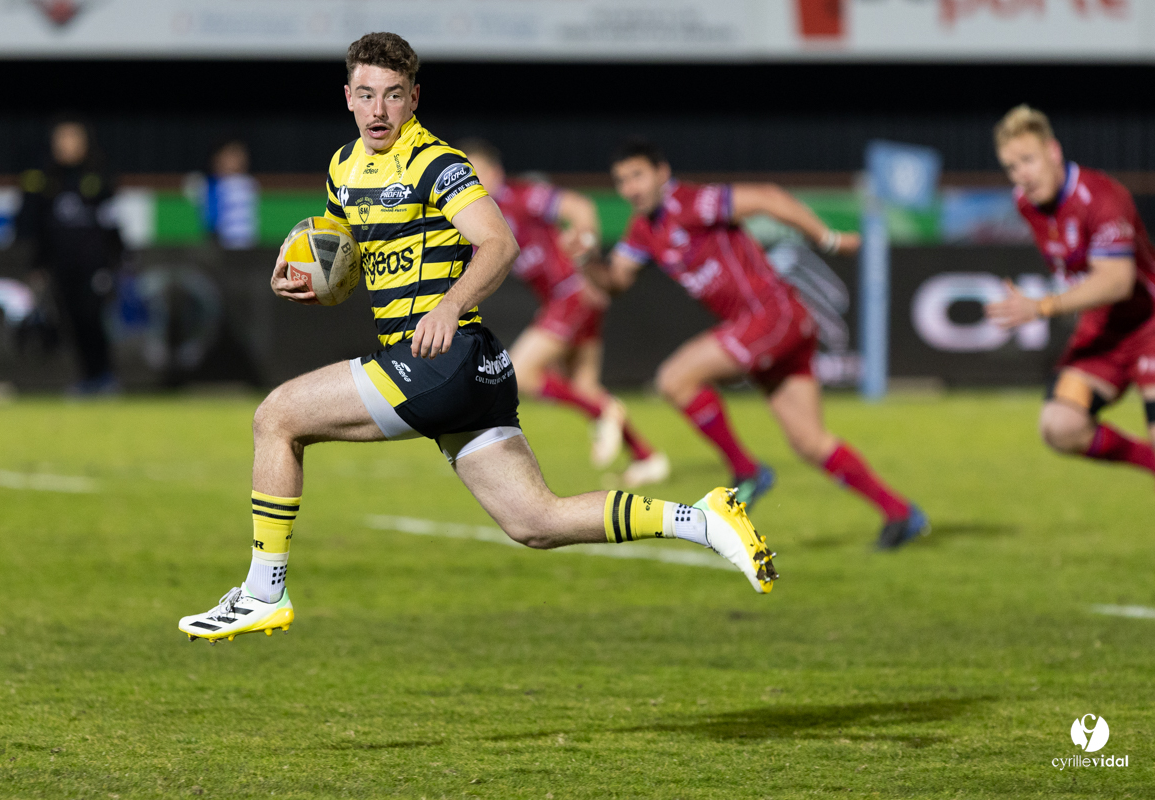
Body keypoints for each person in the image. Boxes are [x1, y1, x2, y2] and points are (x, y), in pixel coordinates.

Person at [177, 33, 777, 643]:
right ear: (348, 98)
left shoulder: (437, 163)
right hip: (457, 367)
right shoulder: (341, 169)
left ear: (414, 98)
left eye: (392, 95)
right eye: (366, 95)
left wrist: (451, 303)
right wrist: (303, 276)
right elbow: (344, 252)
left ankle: (261, 592)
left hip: (444, 356)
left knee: (276, 416)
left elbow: (499, 242)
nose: (379, 110)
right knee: (535, 521)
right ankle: (703, 520)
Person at [601, 140, 928, 549]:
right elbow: (615, 281)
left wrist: (826, 238)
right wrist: (584, 262)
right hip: (773, 324)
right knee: (809, 441)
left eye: (637, 175)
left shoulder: (692, 202)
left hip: (772, 316)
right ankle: (901, 513)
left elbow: (768, 198)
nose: (630, 187)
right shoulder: (644, 230)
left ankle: (747, 471)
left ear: (662, 173)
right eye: (621, 181)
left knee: (674, 378)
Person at [458, 138, 668, 487]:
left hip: (573, 293)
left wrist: (585, 250)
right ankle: (647, 458)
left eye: (475, 172)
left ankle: (604, 413)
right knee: (583, 387)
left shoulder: (520, 196)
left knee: (520, 373)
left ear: (496, 173)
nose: (469, 182)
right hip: (568, 299)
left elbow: (579, 206)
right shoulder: (484, 219)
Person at [987, 105, 1155, 476]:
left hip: (1149, 324)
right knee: (1060, 426)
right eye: (1012, 167)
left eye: (1028, 160)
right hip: (1104, 330)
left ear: (1053, 151)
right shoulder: (1025, 203)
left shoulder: (1102, 198)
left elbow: (1117, 280)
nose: (1022, 176)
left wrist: (1043, 307)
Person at [14, 117, 122, 395]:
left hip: (94, 266)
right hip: (62, 266)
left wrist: (116, 260)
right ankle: (88, 378)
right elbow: (35, 226)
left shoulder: (98, 176)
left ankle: (105, 376)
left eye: (73, 138)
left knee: (93, 319)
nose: (67, 145)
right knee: (71, 322)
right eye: (62, 139)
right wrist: (37, 264)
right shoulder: (45, 180)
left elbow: (112, 223)